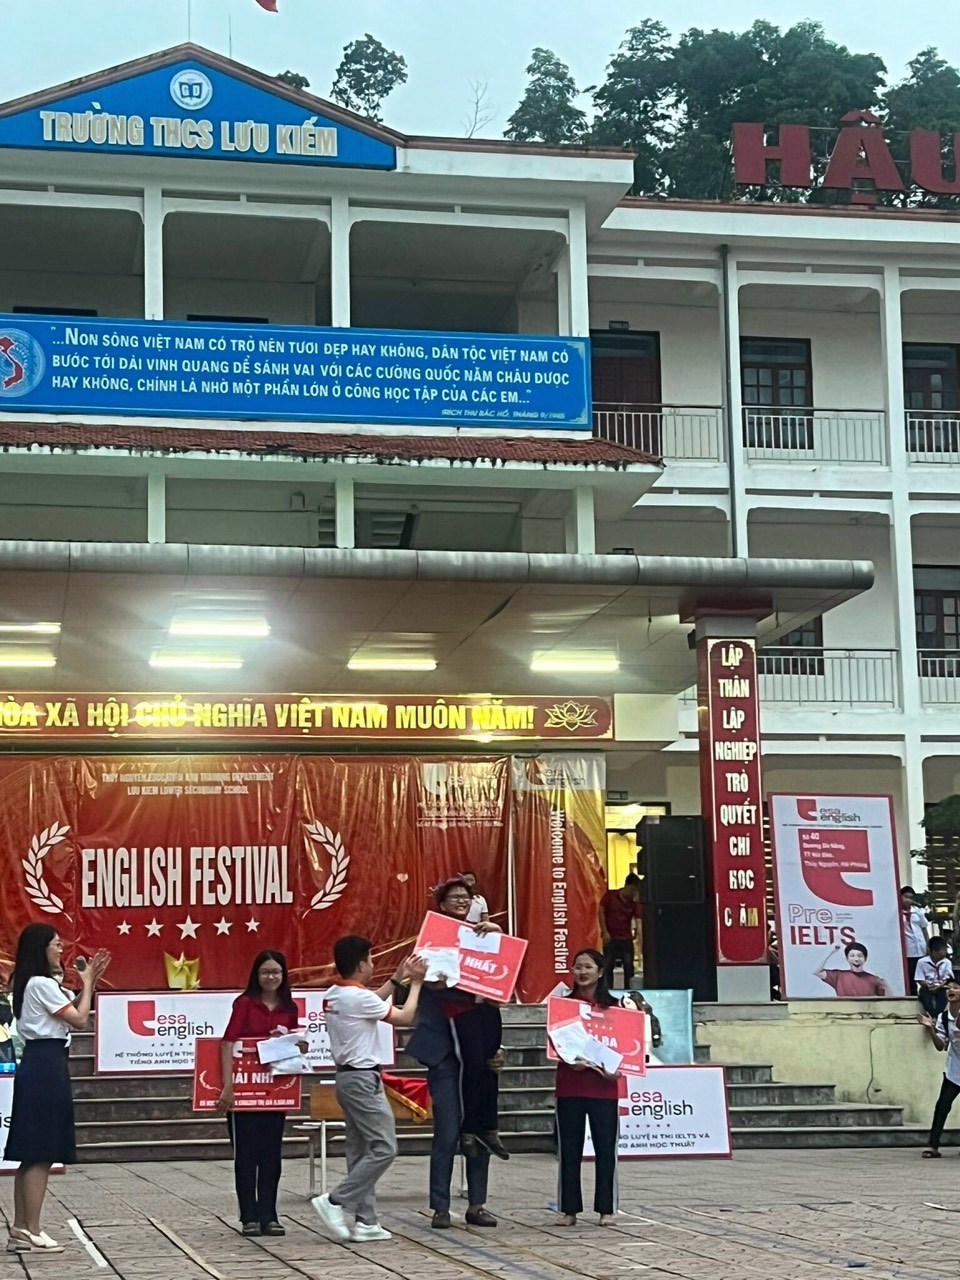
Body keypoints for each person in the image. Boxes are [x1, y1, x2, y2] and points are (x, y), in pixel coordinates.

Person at [312, 938, 427, 1243]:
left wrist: (396, 979)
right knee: (385, 1147)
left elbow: (372, 1000)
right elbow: (404, 1017)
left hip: (347, 1079)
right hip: (363, 1080)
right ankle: (335, 1200)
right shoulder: (356, 998)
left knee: (361, 1150)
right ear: (362, 964)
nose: (373, 965)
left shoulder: (336, 994)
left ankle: (366, 1221)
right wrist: (416, 984)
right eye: (371, 960)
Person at [407, 875, 505, 1230]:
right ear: (442, 904)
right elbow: (428, 983)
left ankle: (477, 1204)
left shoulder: (486, 939)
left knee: (478, 1128)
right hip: (445, 1053)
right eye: (454, 897)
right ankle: (440, 1207)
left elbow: (497, 995)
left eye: (466, 896)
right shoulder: (431, 941)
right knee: (448, 1131)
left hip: (479, 1046)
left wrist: (497, 936)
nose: (462, 901)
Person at [6, 925, 109, 1254]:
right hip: (46, 1065)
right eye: (55, 944)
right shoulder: (41, 983)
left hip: (41, 1061)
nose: (60, 949)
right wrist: (88, 983)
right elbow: (80, 1020)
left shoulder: (34, 984)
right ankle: (32, 1228)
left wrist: (89, 982)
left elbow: (71, 1011)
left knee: (32, 1153)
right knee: (41, 1151)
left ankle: (21, 1228)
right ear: (40, 948)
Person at [217, 949, 304, 1238]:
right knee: (246, 1156)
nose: (271, 977)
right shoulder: (244, 1003)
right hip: (244, 1092)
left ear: (283, 975)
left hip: (273, 1092)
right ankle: (249, 1216)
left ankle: (270, 1215)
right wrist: (228, 1087)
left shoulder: (289, 1007)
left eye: (276, 972)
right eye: (265, 972)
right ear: (256, 975)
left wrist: (299, 1047)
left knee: (271, 1156)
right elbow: (227, 1043)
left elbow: (292, 1045)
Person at [554, 949, 622, 1227]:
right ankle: (569, 1210)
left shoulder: (617, 1008)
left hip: (604, 1088)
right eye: (577, 967)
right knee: (569, 1151)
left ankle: (607, 1209)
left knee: (606, 1150)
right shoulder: (563, 1006)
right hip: (569, 1086)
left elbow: (628, 1048)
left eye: (588, 967)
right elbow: (554, 1042)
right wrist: (569, 1059)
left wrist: (616, 1070)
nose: (582, 972)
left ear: (600, 972)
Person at [920, 977, 960, 1157]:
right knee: (942, 1106)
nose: (950, 991)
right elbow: (940, 1046)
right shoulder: (944, 1018)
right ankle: (933, 1146)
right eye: (948, 988)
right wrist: (930, 1028)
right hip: (955, 1069)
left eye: (955, 988)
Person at [598, 875, 641, 989]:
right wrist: (604, 931)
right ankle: (608, 990)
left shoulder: (633, 903)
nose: (633, 893)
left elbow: (638, 920)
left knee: (629, 966)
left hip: (626, 938)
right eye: (632, 890)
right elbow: (601, 911)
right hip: (610, 937)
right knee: (608, 965)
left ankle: (628, 990)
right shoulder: (610, 896)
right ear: (626, 886)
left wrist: (638, 936)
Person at [814, 942, 888, 997]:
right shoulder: (838, 976)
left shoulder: (874, 979)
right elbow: (815, 971)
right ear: (847, 958)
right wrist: (830, 952)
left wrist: (885, 983)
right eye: (852, 956)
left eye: (860, 956)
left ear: (865, 959)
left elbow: (886, 1001)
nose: (856, 959)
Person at [917, 936, 954, 1019]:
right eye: (942, 950)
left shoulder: (947, 962)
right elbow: (919, 978)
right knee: (925, 996)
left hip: (942, 987)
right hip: (927, 987)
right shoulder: (922, 962)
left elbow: (948, 979)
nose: (945, 952)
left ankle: (938, 1016)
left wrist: (939, 986)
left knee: (944, 996)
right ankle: (932, 1015)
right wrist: (926, 984)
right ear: (933, 951)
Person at [901, 886, 930, 992]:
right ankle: (913, 996)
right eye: (906, 897)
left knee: (924, 976)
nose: (908, 900)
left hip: (921, 948)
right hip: (908, 950)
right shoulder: (898, 913)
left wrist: (928, 945)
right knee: (911, 976)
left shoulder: (918, 912)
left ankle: (925, 995)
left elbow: (924, 929)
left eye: (911, 898)